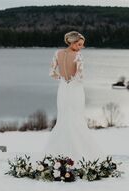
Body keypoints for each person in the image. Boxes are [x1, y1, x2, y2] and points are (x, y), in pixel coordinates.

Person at [44, 31, 104, 161]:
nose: (81, 47)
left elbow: (51, 73)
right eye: (79, 44)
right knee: (76, 118)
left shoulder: (57, 53)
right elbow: (80, 76)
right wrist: (73, 79)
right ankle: (79, 153)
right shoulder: (78, 56)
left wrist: (62, 78)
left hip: (63, 89)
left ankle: (60, 153)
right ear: (72, 42)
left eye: (82, 45)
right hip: (75, 89)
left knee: (64, 118)